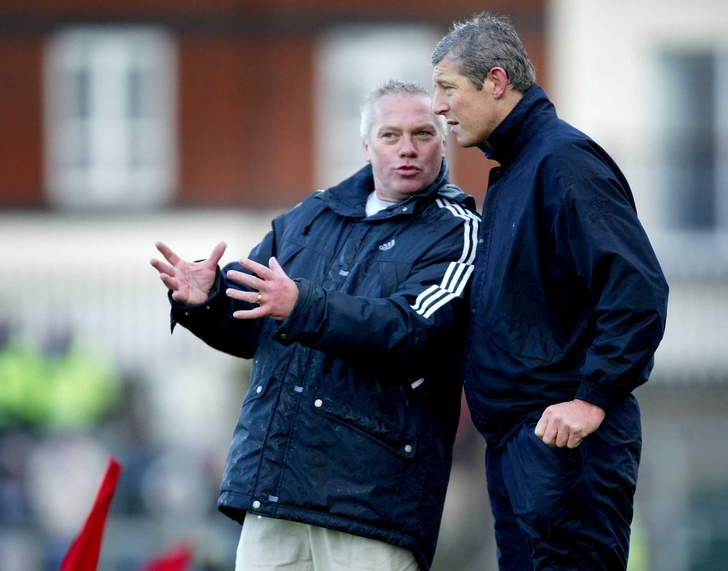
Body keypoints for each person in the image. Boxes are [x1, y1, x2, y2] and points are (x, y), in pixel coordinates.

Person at [150, 79, 479, 571]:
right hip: (274, 491)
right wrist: (208, 298)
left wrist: (301, 306)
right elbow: (251, 322)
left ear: (444, 142)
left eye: (423, 134)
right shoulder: (310, 217)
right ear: (367, 145)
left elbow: (412, 330)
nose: (407, 148)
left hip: (373, 502)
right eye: (391, 135)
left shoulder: (458, 230)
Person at [431, 13, 669, 571]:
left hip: (564, 450)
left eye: (447, 89)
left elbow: (636, 287)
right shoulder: (517, 168)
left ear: (495, 81)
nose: (439, 107)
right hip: (523, 448)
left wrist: (592, 397)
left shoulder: (562, 162)